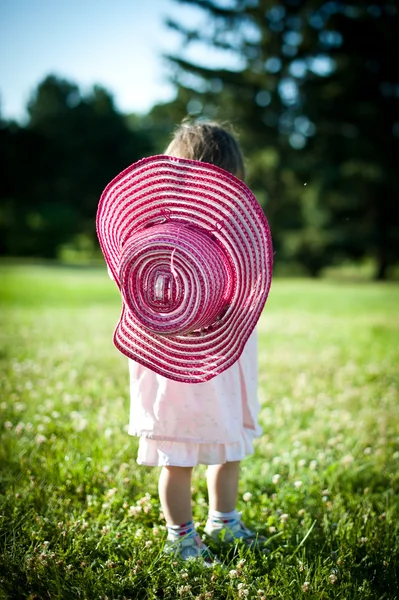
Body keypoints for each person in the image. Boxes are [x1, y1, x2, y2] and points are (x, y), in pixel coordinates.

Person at [97, 121, 272, 564]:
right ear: (233, 176)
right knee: (181, 453)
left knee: (220, 444)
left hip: (213, 353)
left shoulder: (218, 234)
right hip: (175, 358)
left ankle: (222, 521)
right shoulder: (160, 234)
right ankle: (181, 537)